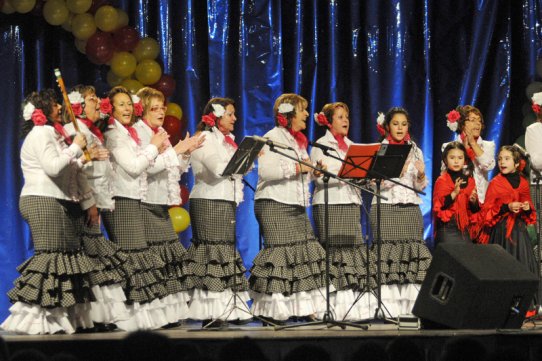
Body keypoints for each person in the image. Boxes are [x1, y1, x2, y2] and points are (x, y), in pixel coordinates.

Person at [1, 89, 96, 334]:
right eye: (54, 104)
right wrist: (75, 146)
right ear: (43, 110)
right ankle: (33, 320)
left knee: (64, 259)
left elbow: (63, 168)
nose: (58, 108)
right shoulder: (40, 133)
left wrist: (83, 158)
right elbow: (52, 167)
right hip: (42, 199)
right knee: (51, 257)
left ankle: (59, 317)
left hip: (57, 198)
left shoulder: (52, 133)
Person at [249, 93, 328, 325]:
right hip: (274, 203)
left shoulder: (299, 141)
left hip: (295, 205)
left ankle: (302, 307)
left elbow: (301, 174)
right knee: (280, 256)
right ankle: (272, 310)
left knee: (303, 254)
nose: (306, 114)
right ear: (289, 114)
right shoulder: (271, 137)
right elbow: (266, 172)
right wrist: (301, 167)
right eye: (302, 110)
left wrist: (314, 173)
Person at [101, 86, 171, 331]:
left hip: (132, 198)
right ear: (110, 108)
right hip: (120, 199)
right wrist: (153, 147)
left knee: (136, 256)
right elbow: (133, 166)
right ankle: (124, 316)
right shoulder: (113, 134)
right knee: (129, 257)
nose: (127, 108)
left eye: (128, 104)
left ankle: (135, 316)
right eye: (120, 104)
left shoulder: (127, 133)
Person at [134, 87, 204, 325]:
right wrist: (176, 150)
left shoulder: (160, 132)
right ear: (142, 110)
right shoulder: (140, 133)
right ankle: (152, 314)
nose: (161, 111)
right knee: (155, 258)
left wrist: (185, 154)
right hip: (146, 203)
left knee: (167, 257)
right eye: (155, 107)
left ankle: (167, 314)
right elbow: (148, 166)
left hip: (160, 203)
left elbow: (171, 167)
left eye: (163, 106)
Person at [64, 85, 129, 329]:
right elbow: (76, 171)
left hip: (95, 200)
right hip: (82, 201)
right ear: (79, 105)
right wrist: (89, 203)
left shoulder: (91, 132)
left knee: (94, 257)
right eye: (92, 99)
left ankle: (97, 316)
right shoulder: (74, 131)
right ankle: (87, 317)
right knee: (87, 258)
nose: (98, 103)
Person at [183, 97, 251, 327]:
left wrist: (246, 159)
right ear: (217, 116)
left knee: (225, 253)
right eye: (230, 114)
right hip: (208, 201)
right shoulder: (204, 138)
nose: (235, 118)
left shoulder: (228, 140)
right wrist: (245, 158)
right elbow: (220, 169)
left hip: (224, 201)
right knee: (213, 254)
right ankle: (212, 313)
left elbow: (237, 169)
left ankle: (230, 309)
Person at [310, 102, 376, 320]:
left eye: (346, 116)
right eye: (339, 117)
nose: (345, 120)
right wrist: (348, 172)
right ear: (329, 121)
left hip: (351, 202)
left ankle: (352, 307)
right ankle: (329, 307)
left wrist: (366, 177)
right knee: (334, 252)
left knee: (353, 251)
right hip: (330, 203)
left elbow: (358, 176)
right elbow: (319, 179)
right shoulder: (320, 145)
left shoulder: (351, 146)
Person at [370, 107, 431, 317]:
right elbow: (374, 184)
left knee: (411, 255)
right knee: (389, 257)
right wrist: (398, 172)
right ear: (387, 126)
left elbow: (420, 187)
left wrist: (421, 174)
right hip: (387, 207)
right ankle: (389, 308)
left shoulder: (415, 149)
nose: (400, 128)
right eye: (396, 124)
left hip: (410, 208)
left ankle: (411, 306)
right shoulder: (381, 148)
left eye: (404, 124)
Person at [477, 146, 537, 275]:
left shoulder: (523, 183)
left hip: (519, 231)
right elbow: (486, 212)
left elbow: (529, 210)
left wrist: (526, 208)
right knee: (502, 269)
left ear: (516, 163)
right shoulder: (495, 183)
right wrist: (506, 207)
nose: (502, 162)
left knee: (522, 266)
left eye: (506, 158)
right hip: (501, 231)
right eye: (499, 159)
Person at [443, 105, 496, 203]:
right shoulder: (448, 147)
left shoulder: (488, 145)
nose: (478, 124)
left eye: (479, 121)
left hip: (480, 201)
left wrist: (473, 143)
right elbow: (444, 175)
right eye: (473, 120)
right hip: (457, 201)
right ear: (462, 124)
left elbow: (489, 166)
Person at [433, 141, 479, 245]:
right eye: (452, 158)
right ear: (445, 160)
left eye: (460, 158)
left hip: (465, 230)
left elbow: (474, 210)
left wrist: (473, 201)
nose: (456, 161)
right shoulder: (442, 181)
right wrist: (454, 193)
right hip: (447, 228)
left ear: (465, 160)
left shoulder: (470, 180)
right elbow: (441, 207)